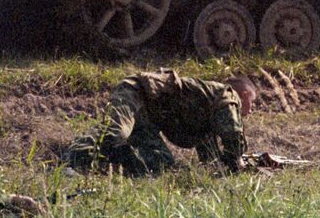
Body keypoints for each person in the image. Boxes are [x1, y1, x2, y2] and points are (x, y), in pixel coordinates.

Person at [66, 70, 257, 175]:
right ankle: (72, 158)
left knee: (161, 164)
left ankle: (107, 161)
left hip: (148, 118)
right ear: (245, 94)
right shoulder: (228, 95)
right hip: (136, 92)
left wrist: (232, 168)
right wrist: (237, 159)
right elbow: (232, 134)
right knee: (117, 132)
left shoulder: (208, 113)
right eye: (253, 102)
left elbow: (211, 160)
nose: (252, 108)